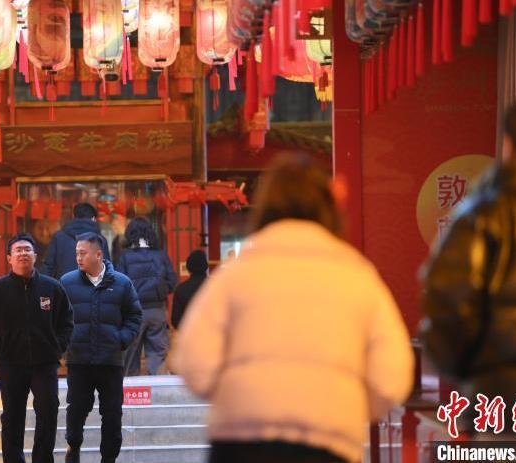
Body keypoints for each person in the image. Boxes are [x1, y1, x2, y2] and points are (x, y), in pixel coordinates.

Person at [171, 153, 414, 463]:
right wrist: (348, 407)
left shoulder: (235, 275)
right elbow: (392, 377)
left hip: (239, 444)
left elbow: (194, 364)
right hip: (327, 445)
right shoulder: (358, 276)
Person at [420, 94, 516, 439]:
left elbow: (447, 303)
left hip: (502, 404)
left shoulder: (480, 215)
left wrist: (464, 372)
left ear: (509, 145)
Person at [0, 233, 74, 463]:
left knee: (48, 412)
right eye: (18, 250)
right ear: (9, 258)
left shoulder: (52, 288)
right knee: (12, 417)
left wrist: (56, 348)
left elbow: (67, 322)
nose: (23, 254)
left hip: (44, 365)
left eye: (27, 250)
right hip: (9, 365)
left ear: (35, 256)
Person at [61, 232, 142, 463]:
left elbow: (134, 316)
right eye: (77, 253)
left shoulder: (122, 283)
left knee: (112, 414)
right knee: (76, 409)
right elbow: (57, 318)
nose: (78, 258)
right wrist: (65, 344)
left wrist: (121, 339)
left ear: (98, 255)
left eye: (83, 253)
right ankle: (73, 447)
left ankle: (109, 458)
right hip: (79, 360)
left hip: (110, 361)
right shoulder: (67, 282)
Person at [116, 217, 178, 375]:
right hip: (157, 310)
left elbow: (118, 285)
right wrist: (161, 291)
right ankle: (158, 387)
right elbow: (172, 280)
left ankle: (131, 386)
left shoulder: (125, 257)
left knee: (130, 355)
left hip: (133, 312)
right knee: (158, 354)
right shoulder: (161, 255)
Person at [42, 202, 111, 279]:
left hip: (63, 284)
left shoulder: (59, 237)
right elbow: (106, 270)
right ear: (93, 219)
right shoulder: (100, 240)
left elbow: (48, 266)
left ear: (74, 216)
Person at [171, 249, 208, 329]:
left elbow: (175, 320)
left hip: (190, 332)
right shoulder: (217, 286)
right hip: (213, 333)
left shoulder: (181, 289)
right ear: (206, 266)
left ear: (188, 267)